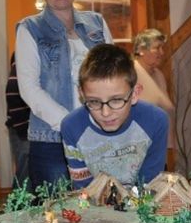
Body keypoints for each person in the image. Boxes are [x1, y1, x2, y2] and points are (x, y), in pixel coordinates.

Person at [15, 0, 113, 189]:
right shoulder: (29, 28)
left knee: (104, 203)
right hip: (52, 140)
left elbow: (113, 76)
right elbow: (29, 88)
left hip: (100, 134)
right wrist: (70, 124)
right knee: (59, 209)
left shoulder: (97, 22)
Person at [61, 44, 168, 190]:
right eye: (94, 101)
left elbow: (150, 184)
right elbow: (83, 190)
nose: (105, 113)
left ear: (135, 94)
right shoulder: (71, 126)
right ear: (82, 95)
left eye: (116, 100)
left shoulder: (156, 121)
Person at [133, 28, 176, 167]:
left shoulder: (159, 75)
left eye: (162, 48)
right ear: (141, 50)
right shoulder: (131, 72)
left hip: (159, 147)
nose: (161, 53)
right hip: (139, 151)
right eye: (157, 48)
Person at [5, 52, 31, 189]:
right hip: (23, 125)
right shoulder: (25, 52)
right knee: (25, 179)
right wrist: (24, 130)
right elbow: (13, 91)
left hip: (24, 125)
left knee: (25, 176)